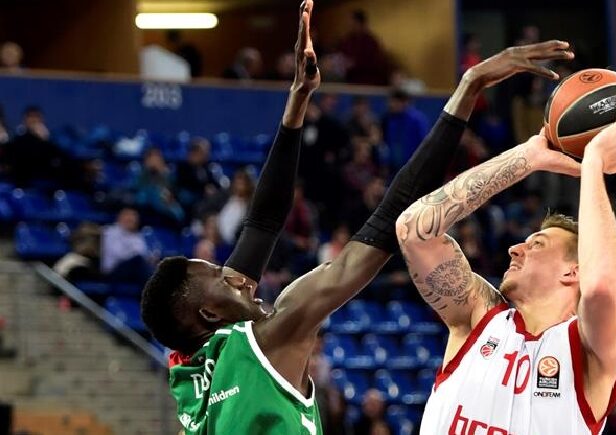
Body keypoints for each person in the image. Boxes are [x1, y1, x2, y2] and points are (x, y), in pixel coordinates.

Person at [140, 1, 574, 430]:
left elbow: (262, 224)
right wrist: (468, 88)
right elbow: (387, 221)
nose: (239, 275)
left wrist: (297, 100)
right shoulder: (271, 336)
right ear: (210, 315)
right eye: (224, 278)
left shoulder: (189, 373)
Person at [396, 93, 616, 434]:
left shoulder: (587, 349)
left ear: (573, 271)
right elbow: (414, 230)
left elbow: (602, 287)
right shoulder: (479, 317)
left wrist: (593, 163)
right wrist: (526, 157)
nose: (515, 249)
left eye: (537, 245)